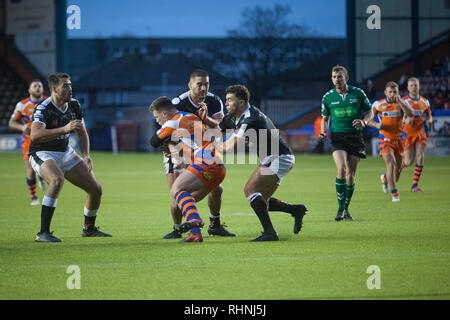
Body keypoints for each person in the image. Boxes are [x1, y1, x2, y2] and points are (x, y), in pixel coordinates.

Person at [209, 85, 307, 242]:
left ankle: (270, 233)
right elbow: (219, 128)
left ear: (241, 102)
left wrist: (211, 143)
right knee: (262, 201)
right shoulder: (236, 115)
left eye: (229, 100)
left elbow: (228, 147)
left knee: (250, 190)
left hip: (279, 158)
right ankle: (296, 210)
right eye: (226, 100)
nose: (226, 103)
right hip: (275, 157)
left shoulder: (250, 119)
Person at [29, 72, 111, 242]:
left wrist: (86, 155)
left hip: (65, 152)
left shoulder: (74, 105)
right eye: (65, 86)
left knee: (96, 189)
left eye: (70, 85)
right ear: (54, 89)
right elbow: (35, 135)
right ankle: (43, 233)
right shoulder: (44, 107)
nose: (70, 89)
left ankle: (88, 229)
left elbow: (81, 132)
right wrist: (64, 130)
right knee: (57, 180)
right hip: (42, 152)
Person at [161, 69, 235, 239]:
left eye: (206, 84)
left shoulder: (214, 101)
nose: (203, 88)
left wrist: (207, 119)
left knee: (217, 189)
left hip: (203, 151)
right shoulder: (178, 103)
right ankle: (178, 228)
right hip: (179, 150)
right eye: (199, 84)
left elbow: (221, 130)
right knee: (177, 193)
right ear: (190, 85)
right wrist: (172, 149)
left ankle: (214, 225)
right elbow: (166, 132)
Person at [149, 96, 226, 242]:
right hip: (219, 165)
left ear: (164, 113)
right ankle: (195, 233)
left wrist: (168, 140)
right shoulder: (191, 116)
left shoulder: (173, 121)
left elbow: (153, 141)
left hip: (206, 161)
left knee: (176, 190)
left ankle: (195, 222)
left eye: (157, 117)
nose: (157, 121)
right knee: (185, 200)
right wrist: (174, 145)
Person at [319, 65, 373, 221]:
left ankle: (345, 209)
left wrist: (364, 122)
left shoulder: (358, 93)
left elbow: (370, 111)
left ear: (346, 78)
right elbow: (325, 118)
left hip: (355, 138)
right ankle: (340, 209)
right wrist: (324, 132)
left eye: (340, 76)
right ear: (332, 79)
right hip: (337, 137)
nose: (337, 79)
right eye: (335, 77)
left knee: (351, 175)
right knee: (341, 168)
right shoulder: (328, 97)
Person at [370, 81, 413, 202]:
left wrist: (400, 101)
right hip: (384, 140)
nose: (393, 94)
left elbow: (411, 114)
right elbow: (368, 119)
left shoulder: (402, 103)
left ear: (398, 92)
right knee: (391, 163)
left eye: (395, 92)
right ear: (385, 92)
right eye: (390, 92)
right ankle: (395, 194)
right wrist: (377, 124)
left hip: (398, 140)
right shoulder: (378, 105)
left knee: (397, 170)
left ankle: (385, 178)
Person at [9, 80, 47, 205]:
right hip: (28, 140)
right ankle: (34, 197)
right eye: (34, 86)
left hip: (45, 138)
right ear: (29, 90)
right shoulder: (22, 104)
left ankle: (41, 175)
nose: (37, 87)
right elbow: (11, 122)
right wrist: (22, 127)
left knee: (49, 165)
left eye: (40, 86)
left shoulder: (49, 101)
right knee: (30, 170)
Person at [401, 77, 433, 192]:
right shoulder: (403, 101)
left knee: (420, 157)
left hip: (420, 133)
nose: (414, 87)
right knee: (408, 161)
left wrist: (429, 120)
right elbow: (397, 118)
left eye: (416, 85)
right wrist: (405, 121)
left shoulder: (425, 101)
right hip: (407, 134)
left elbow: (429, 114)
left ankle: (414, 186)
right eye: (411, 85)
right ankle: (389, 175)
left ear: (419, 86)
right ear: (408, 88)